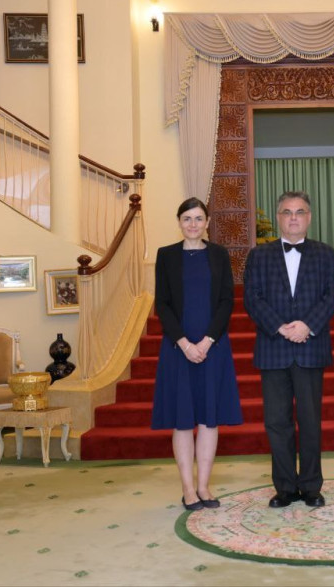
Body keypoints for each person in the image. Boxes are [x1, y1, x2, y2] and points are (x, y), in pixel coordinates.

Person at [243, 191, 334, 508]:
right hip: (273, 347)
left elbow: (332, 296)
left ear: (309, 217)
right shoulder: (259, 255)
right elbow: (252, 298)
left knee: (310, 421)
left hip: (311, 347)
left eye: (300, 212)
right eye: (287, 212)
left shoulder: (325, 254)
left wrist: (307, 326)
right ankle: (285, 487)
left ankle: (311, 486)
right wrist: (281, 327)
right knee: (277, 422)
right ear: (279, 217)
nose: (294, 217)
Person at [151, 197, 243, 511]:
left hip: (212, 347)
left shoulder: (218, 254)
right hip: (178, 349)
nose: (193, 224)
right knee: (182, 420)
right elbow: (162, 304)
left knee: (209, 419)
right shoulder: (166, 255)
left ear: (207, 223)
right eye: (187, 218)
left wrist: (206, 342)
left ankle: (204, 486)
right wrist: (185, 343)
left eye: (198, 218)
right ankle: (188, 489)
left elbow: (226, 301)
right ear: (179, 222)